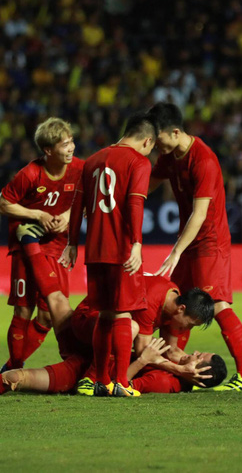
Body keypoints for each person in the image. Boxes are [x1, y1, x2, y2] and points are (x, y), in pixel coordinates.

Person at [146, 102, 242, 391]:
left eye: (158, 140)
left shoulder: (203, 160)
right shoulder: (169, 156)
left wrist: (176, 251)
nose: (156, 146)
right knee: (176, 303)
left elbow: (199, 214)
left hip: (210, 244)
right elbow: (146, 186)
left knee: (217, 306)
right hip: (189, 243)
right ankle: (175, 363)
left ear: (174, 131)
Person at [63, 113, 156, 397]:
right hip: (122, 249)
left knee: (104, 314)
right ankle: (121, 383)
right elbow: (135, 203)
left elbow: (77, 204)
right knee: (123, 313)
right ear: (147, 140)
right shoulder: (139, 162)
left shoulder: (91, 161)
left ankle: (100, 380)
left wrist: (72, 243)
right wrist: (137, 243)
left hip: (95, 249)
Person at [0, 117, 83, 371]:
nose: (71, 148)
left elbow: (90, 200)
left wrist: (67, 217)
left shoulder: (80, 170)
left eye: (71, 141)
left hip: (57, 249)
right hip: (26, 248)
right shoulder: (30, 173)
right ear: (48, 150)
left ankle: (11, 367)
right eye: (64, 144)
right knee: (23, 311)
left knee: (47, 316)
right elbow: (0, 204)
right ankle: (16, 367)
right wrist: (38, 215)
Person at [0, 337, 226, 397]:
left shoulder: (165, 382)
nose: (194, 351)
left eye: (200, 357)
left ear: (199, 375)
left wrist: (144, 361)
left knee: (14, 378)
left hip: (82, 375)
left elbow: (122, 387)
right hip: (90, 356)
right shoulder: (176, 361)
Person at [72, 275, 216, 395]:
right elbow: (143, 351)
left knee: (135, 333)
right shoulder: (151, 299)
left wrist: (192, 369)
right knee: (130, 327)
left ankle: (108, 377)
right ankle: (90, 378)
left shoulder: (173, 300)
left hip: (109, 330)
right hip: (88, 317)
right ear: (181, 309)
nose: (187, 328)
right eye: (190, 324)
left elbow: (171, 350)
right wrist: (178, 370)